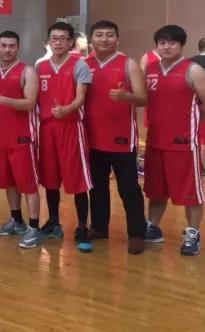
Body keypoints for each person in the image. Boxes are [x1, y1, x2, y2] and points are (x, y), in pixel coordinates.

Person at [143, 25, 205, 256]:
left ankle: (193, 233)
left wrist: (190, 125)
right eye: (162, 42)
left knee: (190, 193)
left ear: (181, 44)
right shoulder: (150, 69)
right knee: (156, 191)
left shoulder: (193, 70)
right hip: (155, 141)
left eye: (172, 42)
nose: (166, 46)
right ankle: (153, 228)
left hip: (183, 144)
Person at [84, 20, 147, 255]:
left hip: (122, 139)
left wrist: (125, 96)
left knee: (128, 188)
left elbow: (143, 98)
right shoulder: (84, 64)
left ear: (117, 39)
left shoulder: (128, 64)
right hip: (92, 138)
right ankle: (99, 227)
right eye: (99, 35)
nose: (104, 39)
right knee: (97, 187)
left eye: (109, 35)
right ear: (91, 40)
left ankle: (137, 233)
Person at [36, 21, 93, 253]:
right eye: (54, 38)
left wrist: (68, 109)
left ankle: (82, 227)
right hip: (47, 129)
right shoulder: (39, 66)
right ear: (48, 41)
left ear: (70, 42)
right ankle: (53, 222)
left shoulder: (79, 65)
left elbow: (81, 96)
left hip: (71, 128)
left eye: (63, 39)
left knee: (77, 180)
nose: (58, 42)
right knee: (50, 178)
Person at [0, 31, 41, 249]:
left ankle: (34, 228)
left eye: (11, 46)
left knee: (28, 185)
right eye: (4, 45)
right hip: (1, 138)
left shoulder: (27, 71)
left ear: (18, 48)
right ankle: (17, 221)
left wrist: (3, 99)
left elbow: (29, 103)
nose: (7, 50)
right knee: (8, 182)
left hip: (23, 138)